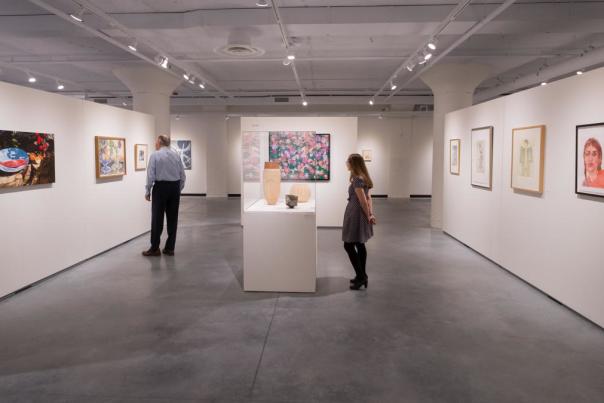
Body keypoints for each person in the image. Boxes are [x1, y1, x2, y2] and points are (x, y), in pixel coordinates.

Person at [142, 135, 186, 257]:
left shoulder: (155, 155)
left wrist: (147, 191)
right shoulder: (176, 155)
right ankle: (170, 248)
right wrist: (178, 189)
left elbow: (150, 175)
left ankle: (155, 248)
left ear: (160, 142)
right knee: (173, 219)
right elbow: (182, 175)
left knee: (157, 219)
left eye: (156, 140)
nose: (155, 142)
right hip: (174, 187)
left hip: (160, 188)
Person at [342, 153, 376, 290]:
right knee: (359, 244)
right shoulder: (363, 178)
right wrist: (370, 214)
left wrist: (368, 215)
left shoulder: (357, 179)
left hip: (355, 214)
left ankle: (361, 276)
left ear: (353, 164)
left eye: (348, 161)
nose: (346, 163)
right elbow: (369, 198)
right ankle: (362, 276)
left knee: (348, 245)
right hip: (359, 213)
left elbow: (363, 200)